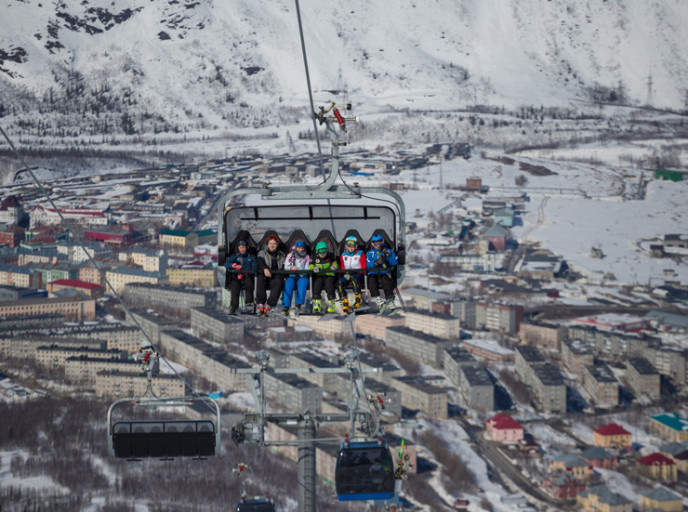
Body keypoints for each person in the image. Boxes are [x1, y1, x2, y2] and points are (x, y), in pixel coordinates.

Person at [223, 239, 257, 314]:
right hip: (237, 276)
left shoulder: (251, 257)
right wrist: (233, 265)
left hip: (247, 276)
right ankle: (233, 306)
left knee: (249, 283)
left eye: (243, 247)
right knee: (234, 285)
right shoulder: (235, 257)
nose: (242, 249)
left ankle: (249, 304)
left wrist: (246, 271)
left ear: (246, 247)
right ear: (238, 248)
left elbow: (254, 268)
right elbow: (226, 264)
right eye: (240, 247)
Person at [366, 234, 398, 311]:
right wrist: (376, 263)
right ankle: (378, 300)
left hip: (384, 271)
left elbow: (394, 262)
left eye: (379, 243)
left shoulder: (389, 251)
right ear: (372, 244)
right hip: (374, 272)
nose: (377, 245)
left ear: (382, 242)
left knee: (386, 281)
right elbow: (367, 264)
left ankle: (390, 301)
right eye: (375, 243)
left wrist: (388, 256)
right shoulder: (370, 253)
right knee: (371, 282)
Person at [256, 234, 285, 315]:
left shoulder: (281, 255)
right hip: (264, 274)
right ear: (267, 244)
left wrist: (284, 275)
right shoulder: (262, 253)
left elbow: (283, 266)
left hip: (276, 275)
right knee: (259, 279)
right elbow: (260, 262)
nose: (272, 245)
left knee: (279, 281)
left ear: (277, 245)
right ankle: (261, 302)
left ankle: (270, 304)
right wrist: (265, 268)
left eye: (274, 244)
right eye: (270, 243)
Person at [337, 235, 366, 313]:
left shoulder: (360, 254)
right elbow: (342, 267)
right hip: (347, 274)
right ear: (346, 246)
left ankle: (358, 299)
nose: (351, 248)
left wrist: (355, 272)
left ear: (356, 245)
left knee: (354, 278)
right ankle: (344, 302)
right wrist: (342, 274)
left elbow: (363, 267)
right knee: (340, 282)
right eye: (349, 246)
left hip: (358, 274)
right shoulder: (343, 255)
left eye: (353, 246)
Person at [281, 240, 311, 314]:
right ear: (296, 248)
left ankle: (298, 304)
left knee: (303, 283)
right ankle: (286, 306)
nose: (300, 250)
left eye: (302, 248)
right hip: (292, 275)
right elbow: (286, 266)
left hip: (302, 275)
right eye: (298, 248)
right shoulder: (290, 255)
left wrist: (301, 270)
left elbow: (307, 268)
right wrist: (291, 268)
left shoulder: (306, 257)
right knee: (288, 284)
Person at [309, 240, 338, 314]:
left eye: (324, 251)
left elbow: (335, 263)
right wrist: (313, 269)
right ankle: (316, 305)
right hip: (319, 275)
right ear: (317, 251)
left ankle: (331, 305)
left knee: (329, 286)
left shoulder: (330, 256)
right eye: (320, 251)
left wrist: (334, 266)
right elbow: (311, 266)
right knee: (317, 286)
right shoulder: (315, 258)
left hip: (328, 275)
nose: (322, 253)